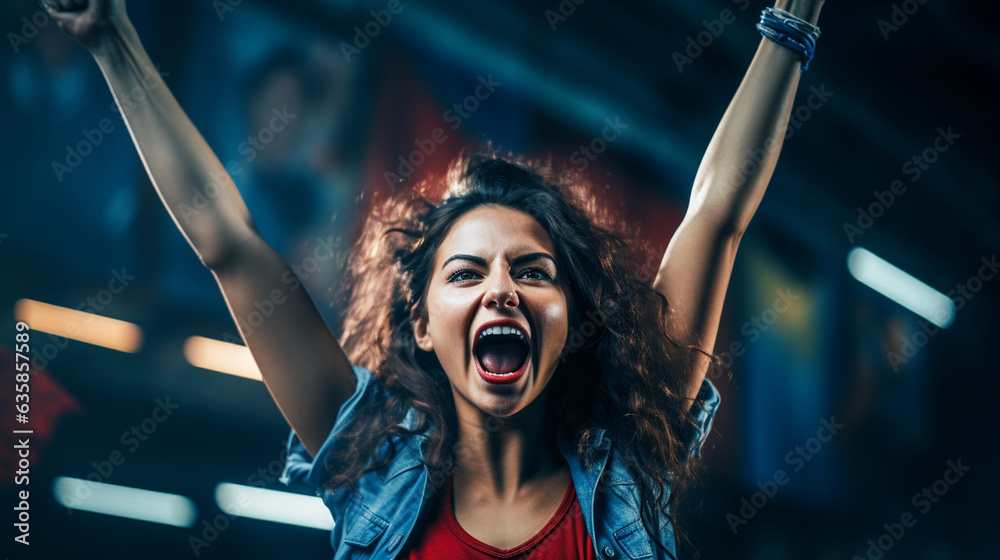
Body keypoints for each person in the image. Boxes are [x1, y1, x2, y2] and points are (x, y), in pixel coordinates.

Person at [48, 0, 826, 558]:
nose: (501, 290)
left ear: (571, 318)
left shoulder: (628, 464)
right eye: (466, 272)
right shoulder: (368, 469)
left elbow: (716, 214)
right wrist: (111, 37)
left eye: (533, 271)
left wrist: (790, 24)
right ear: (421, 323)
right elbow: (227, 242)